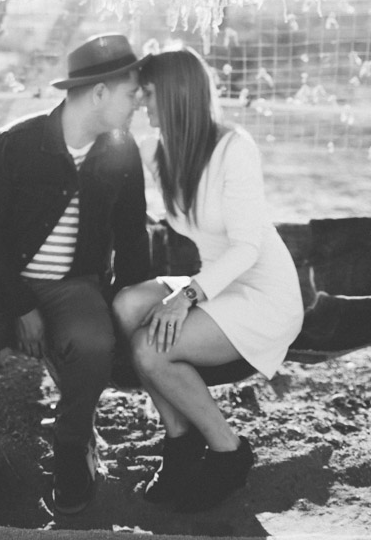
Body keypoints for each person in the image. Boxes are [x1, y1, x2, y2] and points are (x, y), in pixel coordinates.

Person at [0, 33, 151, 525]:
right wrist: (20, 305)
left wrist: (132, 307)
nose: (138, 103)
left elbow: (132, 235)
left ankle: (71, 449)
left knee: (97, 343)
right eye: (130, 93)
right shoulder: (15, 143)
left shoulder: (122, 151)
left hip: (73, 286)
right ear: (98, 93)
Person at [112, 46, 303, 513]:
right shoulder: (158, 153)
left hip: (261, 291)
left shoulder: (234, 148)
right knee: (125, 307)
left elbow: (246, 247)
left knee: (147, 347)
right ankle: (180, 441)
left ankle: (227, 451)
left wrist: (186, 297)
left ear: (177, 94)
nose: (142, 103)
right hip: (216, 282)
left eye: (150, 93)